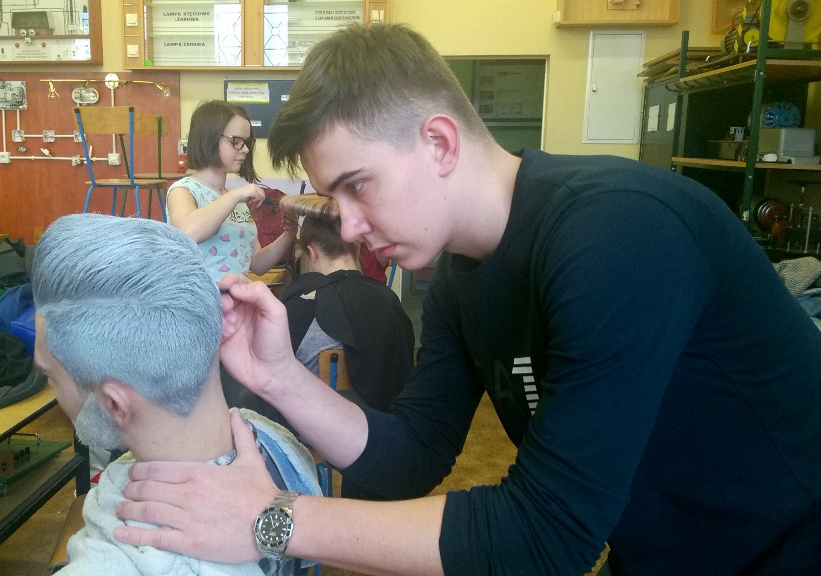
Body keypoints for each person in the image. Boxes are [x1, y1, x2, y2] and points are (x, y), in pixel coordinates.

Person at [113, 23, 821, 576]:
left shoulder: (618, 233)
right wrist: (276, 376)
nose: (348, 227)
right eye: (334, 197)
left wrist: (273, 519)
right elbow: (411, 456)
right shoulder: (458, 274)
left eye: (358, 185)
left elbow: (543, 537)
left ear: (440, 142)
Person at [30, 213, 321, 576]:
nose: (50, 387)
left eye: (49, 375)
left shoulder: (122, 562)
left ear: (114, 403)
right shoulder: (279, 445)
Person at [227, 209, 415, 500]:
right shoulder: (390, 302)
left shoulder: (301, 305)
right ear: (357, 248)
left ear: (312, 252)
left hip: (308, 432)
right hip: (381, 436)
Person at [166, 100, 295, 283]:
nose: (246, 149)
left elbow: (257, 264)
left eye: (247, 142)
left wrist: (289, 233)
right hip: (200, 297)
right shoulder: (184, 190)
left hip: (237, 296)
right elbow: (188, 233)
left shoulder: (235, 200)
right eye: (236, 141)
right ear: (209, 138)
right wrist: (234, 196)